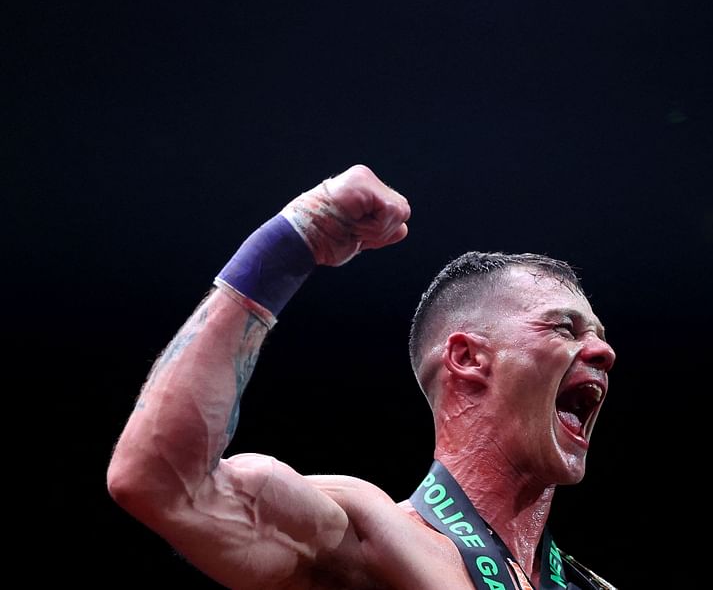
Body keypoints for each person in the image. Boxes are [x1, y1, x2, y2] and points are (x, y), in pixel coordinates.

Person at [107, 165, 618, 589]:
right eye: (564, 328)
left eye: (597, 333)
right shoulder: (370, 535)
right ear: (467, 359)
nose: (604, 351)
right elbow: (161, 484)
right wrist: (289, 244)